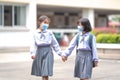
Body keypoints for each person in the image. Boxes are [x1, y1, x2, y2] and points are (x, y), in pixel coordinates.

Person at [30, 15, 63, 80]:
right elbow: (33, 44)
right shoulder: (35, 33)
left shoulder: (49, 33)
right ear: (39, 22)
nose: (46, 24)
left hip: (48, 52)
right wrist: (32, 53)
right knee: (42, 71)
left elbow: (55, 44)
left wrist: (61, 54)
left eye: (47, 23)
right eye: (45, 22)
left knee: (46, 71)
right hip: (39, 52)